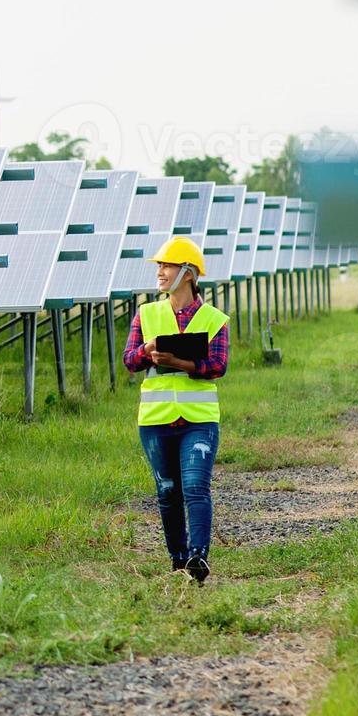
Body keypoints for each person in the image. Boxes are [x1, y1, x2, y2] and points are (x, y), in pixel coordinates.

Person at [123, 237, 230, 583]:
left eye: (166, 265)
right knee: (168, 491)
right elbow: (129, 362)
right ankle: (178, 559)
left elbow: (218, 366)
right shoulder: (147, 314)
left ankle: (198, 557)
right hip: (156, 421)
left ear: (187, 273)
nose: (160, 272)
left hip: (198, 421)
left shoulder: (215, 319)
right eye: (159, 265)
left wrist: (179, 362)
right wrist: (149, 348)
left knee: (196, 486)